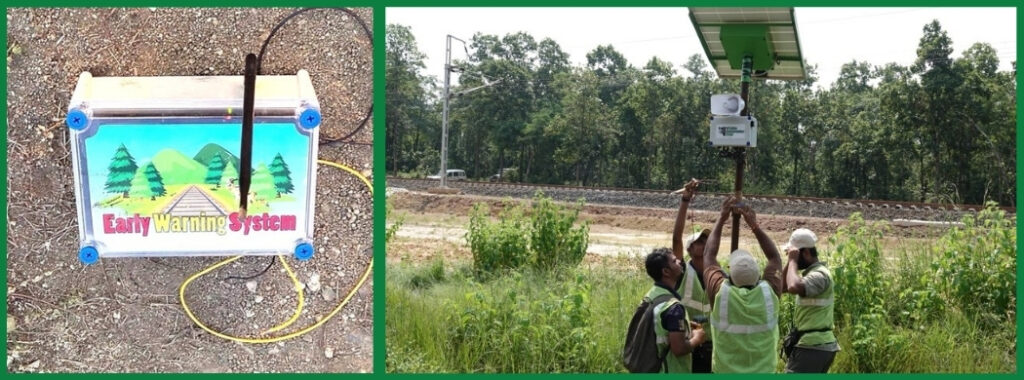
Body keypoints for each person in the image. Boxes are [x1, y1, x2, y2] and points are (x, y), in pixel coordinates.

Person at [702, 197, 783, 373]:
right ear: (759, 275)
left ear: (729, 276)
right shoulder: (770, 292)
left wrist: (722, 218)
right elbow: (775, 258)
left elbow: (708, 255)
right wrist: (754, 225)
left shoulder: (721, 292)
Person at [670, 179, 713, 373]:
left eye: (706, 240)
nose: (703, 244)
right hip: (687, 341)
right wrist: (685, 201)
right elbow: (676, 238)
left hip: (710, 343)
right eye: (698, 242)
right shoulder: (683, 271)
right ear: (689, 248)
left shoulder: (716, 274)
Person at [782, 228, 840, 373]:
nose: (791, 258)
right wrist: (791, 261)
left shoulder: (820, 275)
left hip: (814, 346)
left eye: (795, 255)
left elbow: (793, 286)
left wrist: (793, 261)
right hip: (813, 345)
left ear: (806, 253)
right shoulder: (810, 275)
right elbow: (782, 287)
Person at [642, 248, 708, 373]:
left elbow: (661, 327)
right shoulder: (673, 308)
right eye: (674, 261)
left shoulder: (651, 295)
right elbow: (679, 349)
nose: (679, 261)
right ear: (666, 271)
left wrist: (686, 326)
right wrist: (697, 338)